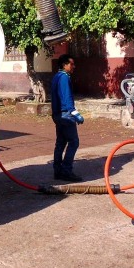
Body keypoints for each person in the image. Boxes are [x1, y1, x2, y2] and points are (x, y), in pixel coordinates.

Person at [51, 54, 84, 182]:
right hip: (65, 114)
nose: (74, 67)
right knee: (74, 142)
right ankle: (66, 171)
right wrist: (75, 113)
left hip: (57, 114)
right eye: (72, 64)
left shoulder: (56, 77)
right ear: (64, 65)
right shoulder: (64, 78)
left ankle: (57, 171)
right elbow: (66, 97)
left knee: (60, 143)